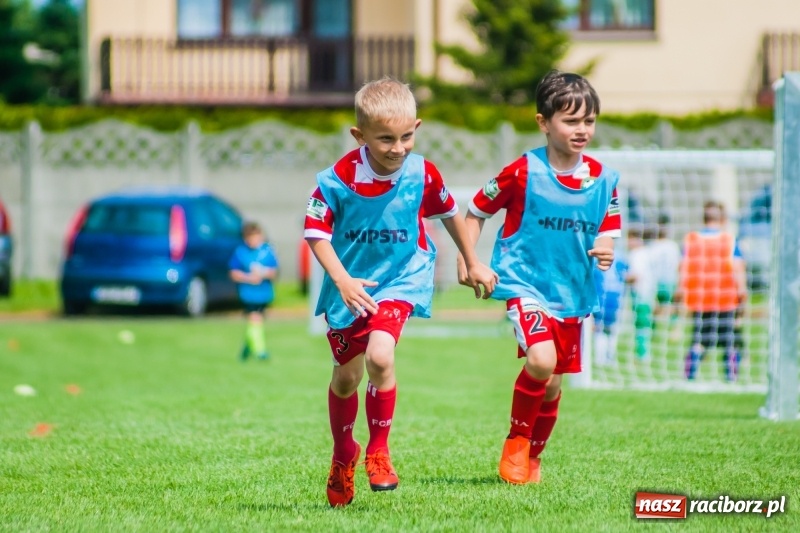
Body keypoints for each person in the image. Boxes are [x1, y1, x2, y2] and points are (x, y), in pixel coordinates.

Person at [304, 77, 497, 507]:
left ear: (417, 127)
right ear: (360, 136)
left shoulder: (423, 172)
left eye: (407, 136)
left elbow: (449, 213)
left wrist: (472, 259)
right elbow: (314, 231)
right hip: (351, 287)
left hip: (403, 278)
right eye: (386, 139)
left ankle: (378, 449)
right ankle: (343, 454)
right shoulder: (337, 178)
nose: (398, 147)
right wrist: (342, 279)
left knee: (380, 355)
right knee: (346, 378)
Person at [458, 70, 621, 485]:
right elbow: (476, 210)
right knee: (541, 360)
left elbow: (609, 223)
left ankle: (533, 456)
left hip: (572, 292)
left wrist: (606, 246)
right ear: (543, 122)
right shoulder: (522, 171)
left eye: (589, 120)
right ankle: (516, 441)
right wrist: (469, 257)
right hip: (524, 284)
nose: (582, 129)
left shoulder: (603, 178)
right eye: (571, 121)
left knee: (551, 386)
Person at [676, 200, 747, 381]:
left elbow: (682, 268)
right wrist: (743, 295)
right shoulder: (729, 240)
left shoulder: (691, 239)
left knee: (699, 341)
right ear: (722, 219)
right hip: (725, 299)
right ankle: (731, 377)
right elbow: (738, 268)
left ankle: (689, 376)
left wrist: (681, 294)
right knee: (730, 340)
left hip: (699, 299)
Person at [228, 221, 278, 361]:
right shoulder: (241, 252)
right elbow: (233, 273)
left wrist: (262, 273)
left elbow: (273, 272)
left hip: (263, 293)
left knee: (257, 321)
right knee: (255, 319)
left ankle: (247, 347)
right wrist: (248, 278)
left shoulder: (267, 251)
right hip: (247, 293)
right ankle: (260, 351)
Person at [592, 244, 628, 366]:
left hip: (601, 296)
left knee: (600, 328)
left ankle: (601, 358)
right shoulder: (621, 256)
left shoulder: (595, 254)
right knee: (610, 328)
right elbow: (627, 275)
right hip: (615, 297)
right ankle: (609, 357)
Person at [625, 224, 657, 360]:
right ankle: (643, 352)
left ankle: (642, 353)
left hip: (640, 293)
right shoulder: (647, 252)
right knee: (644, 324)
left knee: (641, 324)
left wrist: (621, 277)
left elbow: (635, 275)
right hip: (648, 292)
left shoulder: (636, 254)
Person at [648, 213, 682, 327]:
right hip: (664, 282)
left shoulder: (657, 246)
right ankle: (671, 327)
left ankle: (658, 327)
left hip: (663, 282)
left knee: (663, 306)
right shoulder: (670, 246)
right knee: (668, 305)